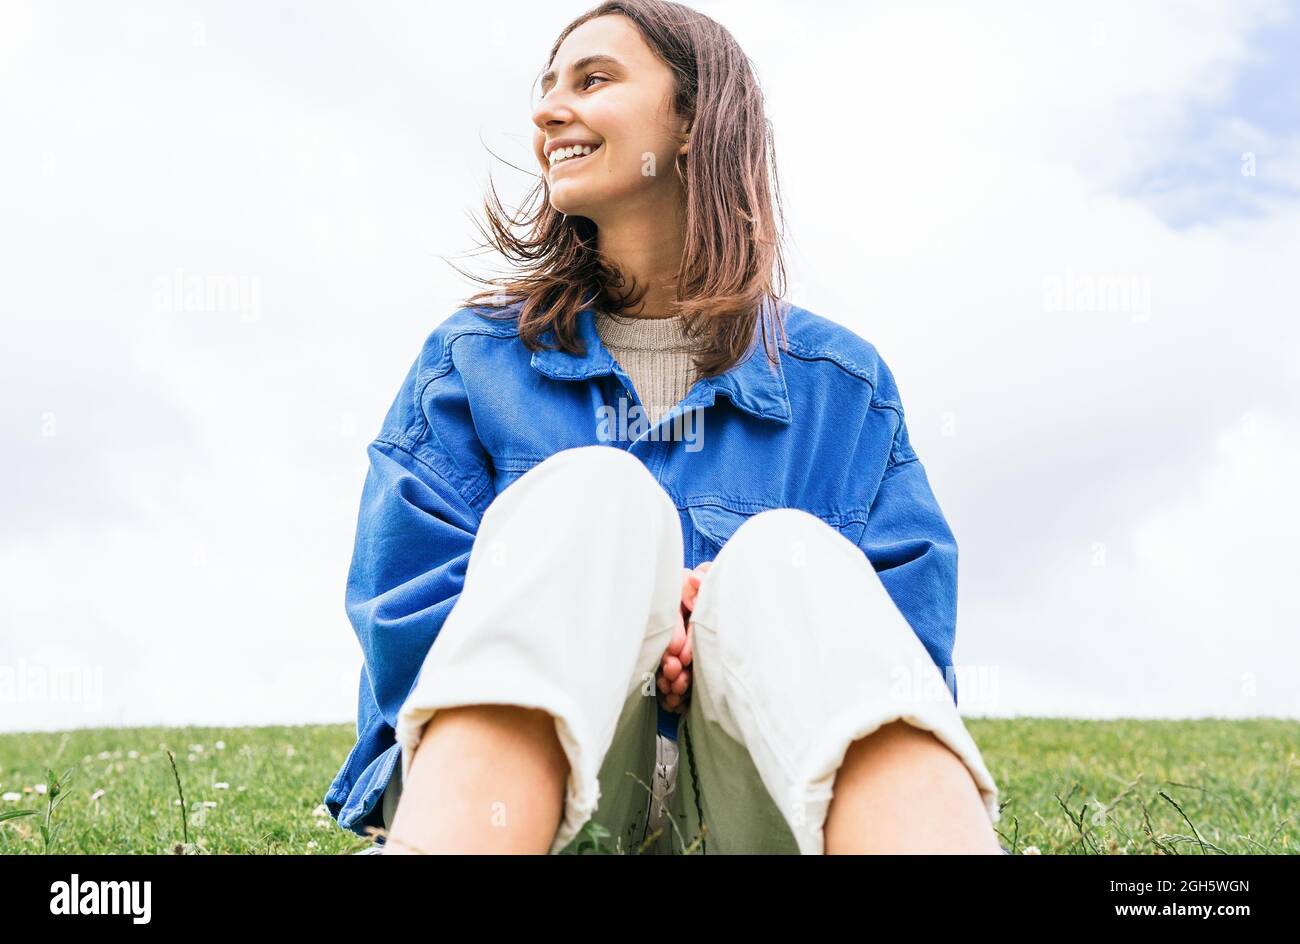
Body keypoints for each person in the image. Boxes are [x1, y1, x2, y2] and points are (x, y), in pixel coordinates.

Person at [324, 0, 1004, 854]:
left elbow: (905, 662)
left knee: (779, 560)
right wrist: (631, 630)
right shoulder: (470, 362)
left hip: (757, 818)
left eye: (594, 79)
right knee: (592, 495)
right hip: (549, 811)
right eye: (546, 87)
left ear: (691, 120)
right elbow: (405, 621)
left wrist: (724, 634)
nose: (547, 110)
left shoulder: (844, 388)